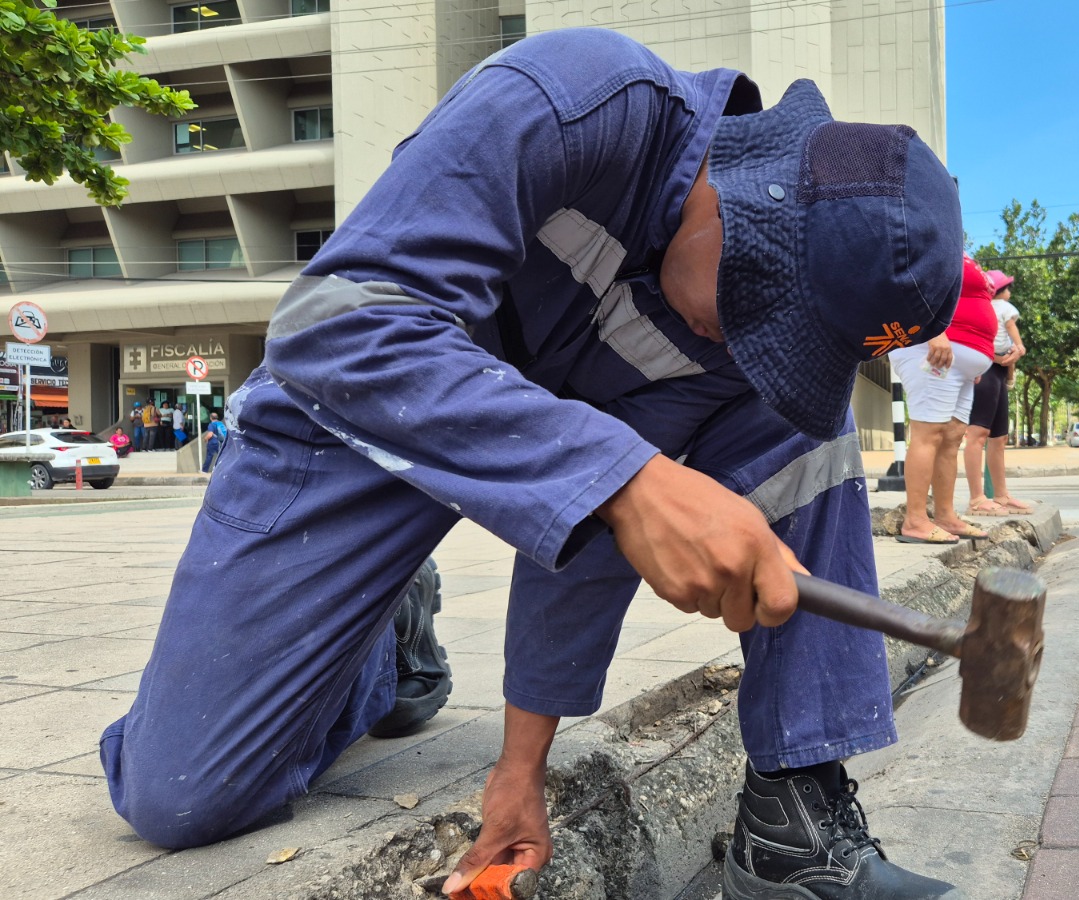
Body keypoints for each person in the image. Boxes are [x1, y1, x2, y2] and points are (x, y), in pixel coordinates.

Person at [99, 29, 965, 900]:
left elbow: (586, 537)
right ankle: (380, 638)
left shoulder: (735, 348)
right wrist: (628, 478)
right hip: (351, 415)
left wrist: (522, 768)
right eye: (764, 315)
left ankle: (794, 827)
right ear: (743, 206)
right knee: (181, 797)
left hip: (540, 454)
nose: (752, 347)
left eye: (795, 345)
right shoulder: (578, 96)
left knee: (801, 434)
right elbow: (334, 324)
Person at [887, 255, 998, 544]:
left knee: (952, 437)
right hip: (932, 347)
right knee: (929, 434)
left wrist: (977, 359)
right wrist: (932, 329)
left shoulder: (960, 251)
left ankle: (946, 516)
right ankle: (915, 520)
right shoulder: (924, 240)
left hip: (961, 361)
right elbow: (908, 280)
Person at [964, 270, 1031, 515]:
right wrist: (1017, 349)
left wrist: (1009, 362)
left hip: (999, 370)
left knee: (999, 437)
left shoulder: (986, 307)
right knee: (977, 433)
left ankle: (1001, 495)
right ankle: (976, 499)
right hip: (984, 368)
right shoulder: (988, 307)